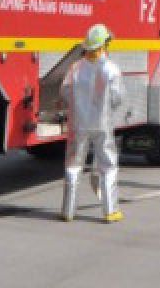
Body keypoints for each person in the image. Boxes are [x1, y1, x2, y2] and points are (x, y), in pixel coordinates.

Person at [60, 23, 125, 222]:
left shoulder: (75, 68)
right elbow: (117, 98)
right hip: (102, 124)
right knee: (107, 166)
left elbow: (64, 93)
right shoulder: (112, 69)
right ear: (105, 44)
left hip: (78, 124)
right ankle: (110, 211)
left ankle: (68, 211)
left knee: (73, 165)